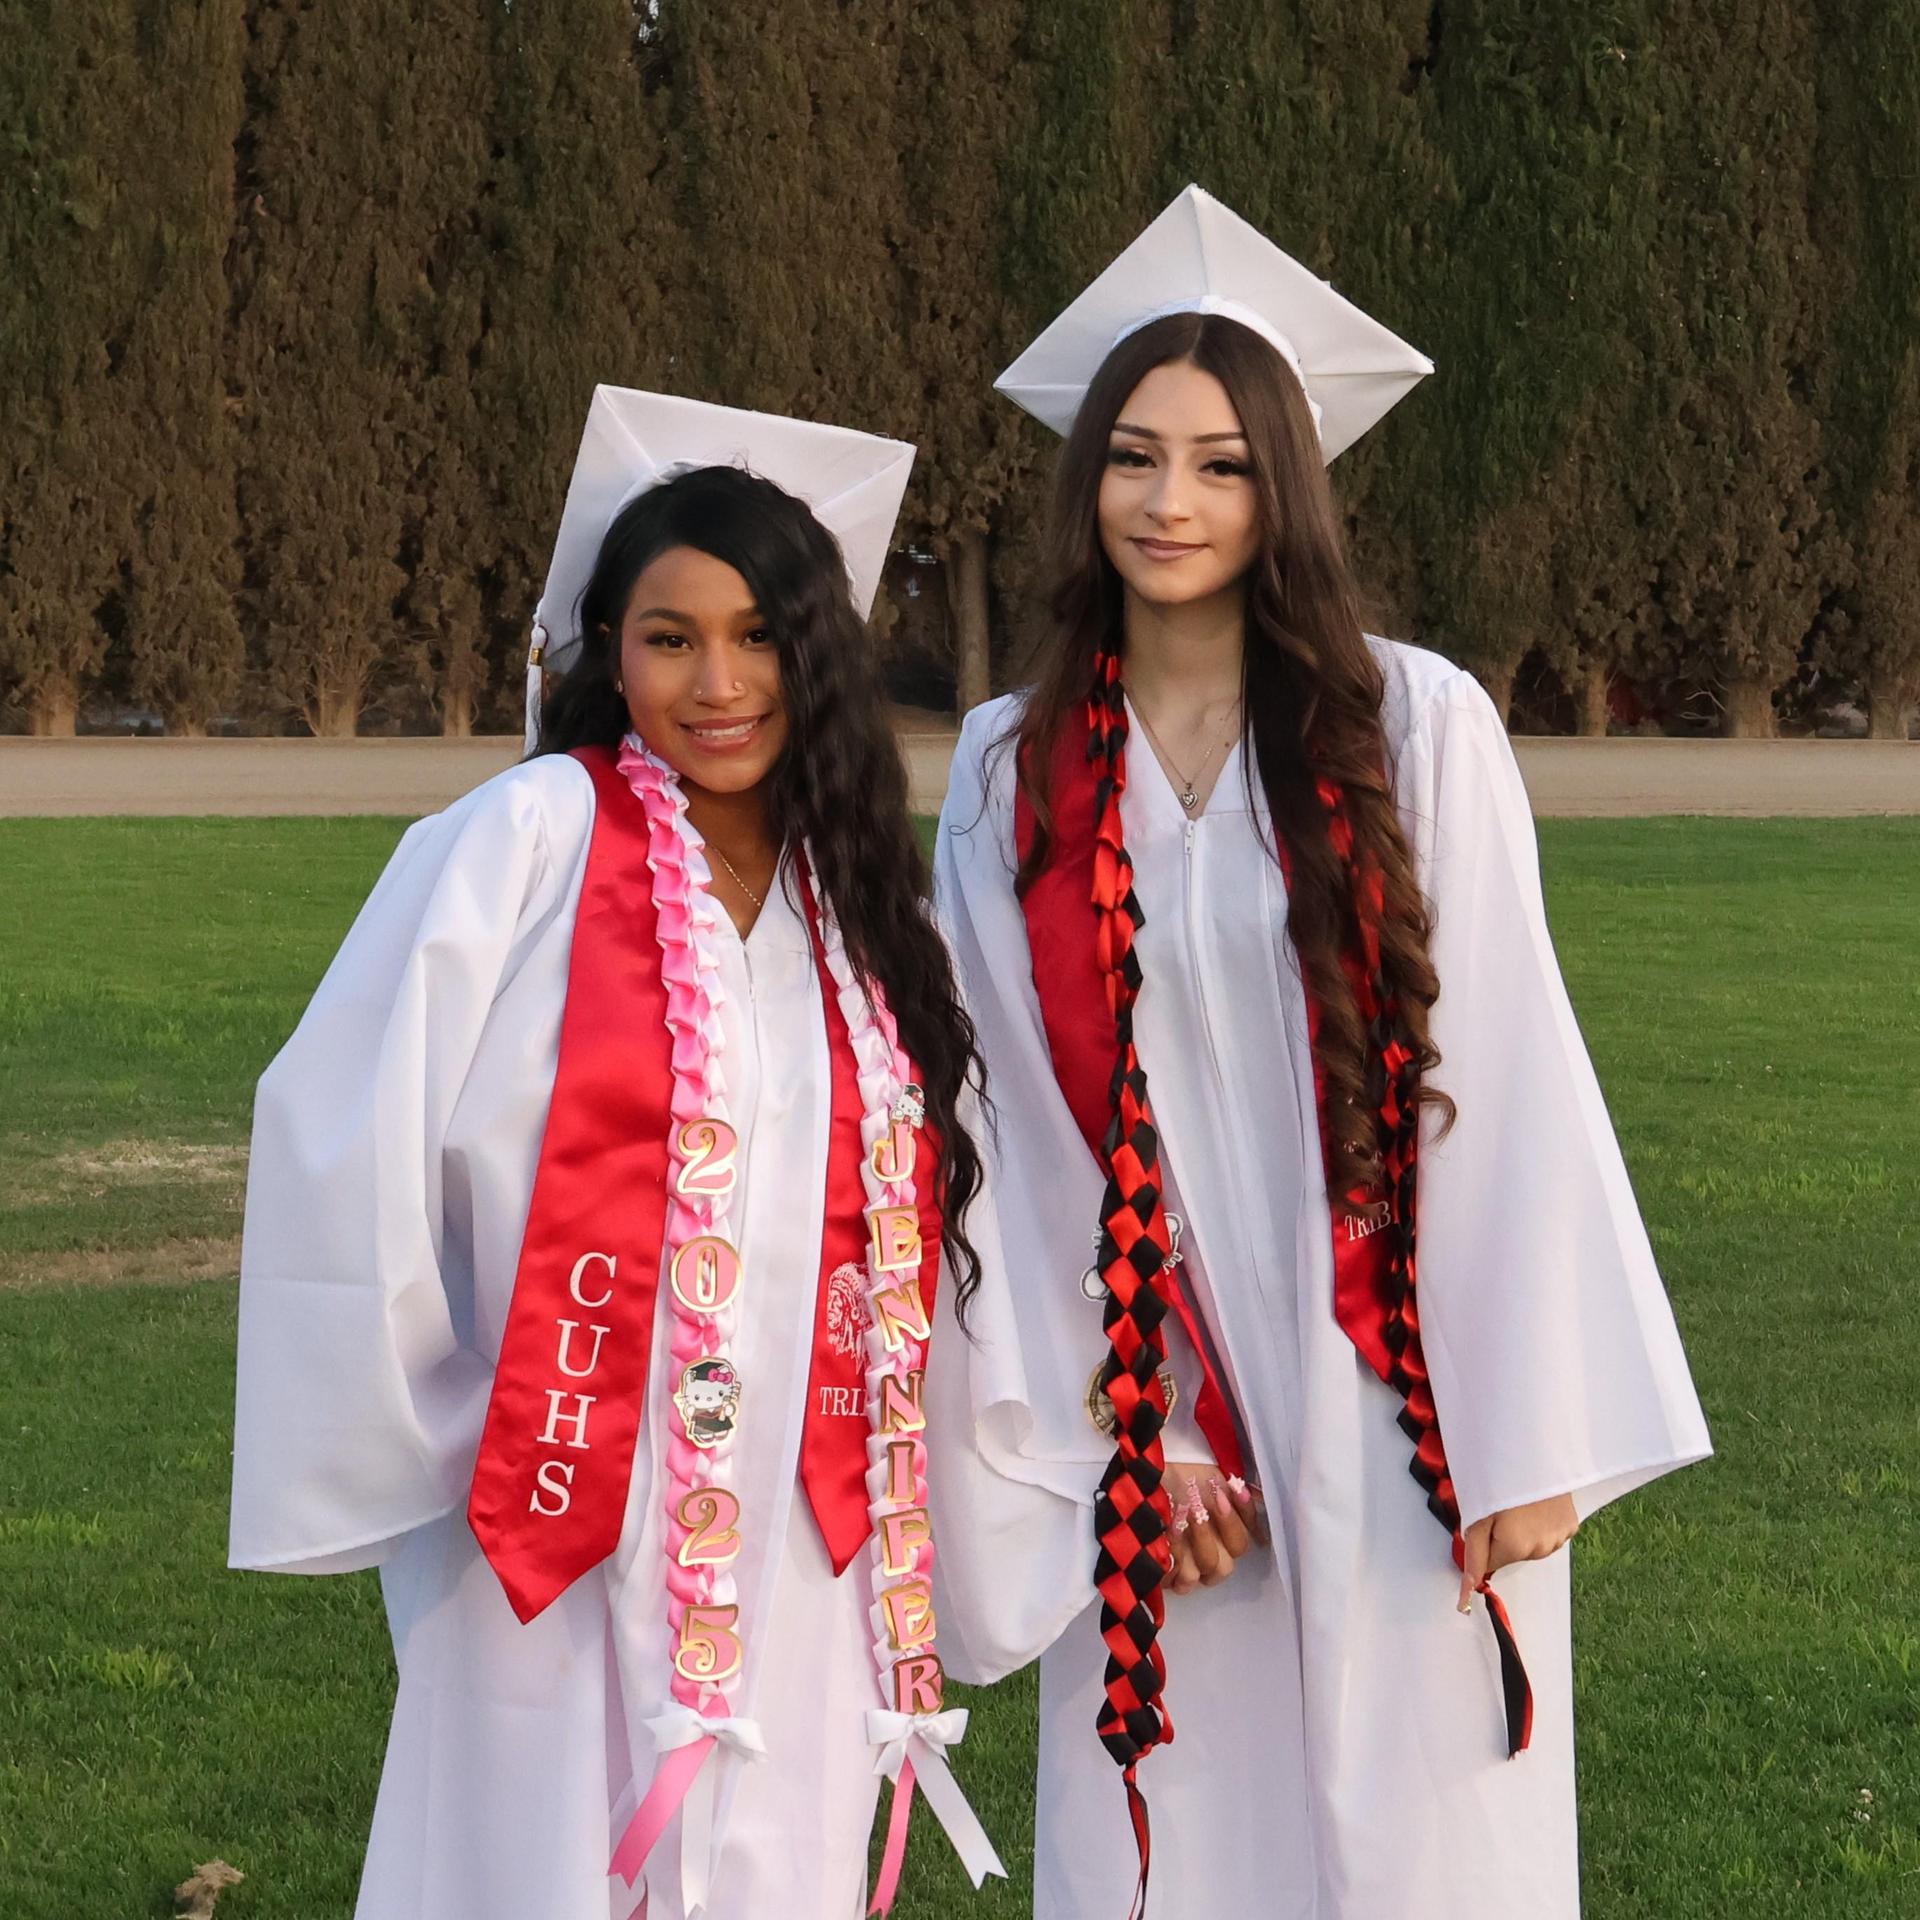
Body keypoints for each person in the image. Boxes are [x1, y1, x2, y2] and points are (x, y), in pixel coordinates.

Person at [927, 186, 1711, 1919]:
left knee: (1424, 1831)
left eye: (1221, 461)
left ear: (1286, 486)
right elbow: (1007, 1127)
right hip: (1166, 1392)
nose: (1172, 500)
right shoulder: (1009, 770)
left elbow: (1504, 1073)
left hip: (1399, 1383)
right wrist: (1132, 1432)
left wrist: (1528, 1432)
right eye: (1135, 457)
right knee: (1187, 1827)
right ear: (1088, 484)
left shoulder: (1412, 722)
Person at [229, 388, 1003, 1920]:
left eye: (759, 634)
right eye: (668, 638)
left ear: (819, 653)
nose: (718, 683)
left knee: (777, 1853)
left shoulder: (862, 907)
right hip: (558, 1491)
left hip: (797, 1516)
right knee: (534, 1863)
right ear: (607, 654)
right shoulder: (523, 843)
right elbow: (343, 1125)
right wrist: (451, 1420)